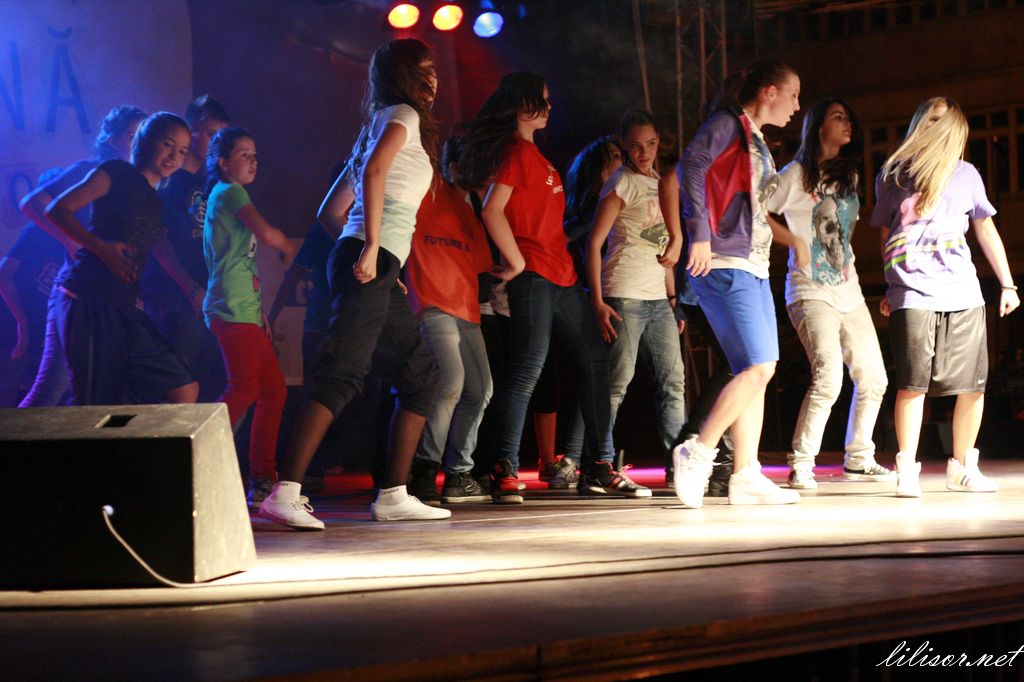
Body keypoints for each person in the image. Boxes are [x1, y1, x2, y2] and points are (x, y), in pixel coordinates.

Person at [259, 38, 446, 529]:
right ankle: (285, 491)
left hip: (372, 261)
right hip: (368, 255)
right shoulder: (402, 115)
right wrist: (372, 247)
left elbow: (330, 212)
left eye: (433, 69)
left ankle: (394, 494)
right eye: (424, 69)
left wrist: (381, 261)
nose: (433, 78)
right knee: (343, 373)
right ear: (403, 76)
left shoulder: (375, 125)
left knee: (421, 374)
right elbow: (376, 172)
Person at [457, 71, 649, 502]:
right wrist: (516, 259)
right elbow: (492, 210)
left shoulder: (535, 155)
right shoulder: (513, 150)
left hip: (561, 274)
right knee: (528, 367)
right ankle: (504, 468)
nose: (550, 107)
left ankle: (599, 467)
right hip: (534, 275)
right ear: (522, 104)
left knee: (595, 362)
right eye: (542, 100)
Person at [872, 96, 1019, 497]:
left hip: (962, 291)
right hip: (912, 293)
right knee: (912, 384)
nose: (935, 126)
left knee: (973, 385)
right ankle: (906, 468)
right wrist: (891, 284)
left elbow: (986, 229)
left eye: (943, 120)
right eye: (930, 119)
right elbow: (885, 234)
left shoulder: (966, 174)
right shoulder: (893, 175)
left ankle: (963, 467)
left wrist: (1008, 284)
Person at [673, 59, 802, 507]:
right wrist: (699, 233)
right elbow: (690, 167)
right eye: (793, 95)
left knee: (759, 370)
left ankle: (745, 473)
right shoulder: (727, 123)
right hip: (725, 259)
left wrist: (792, 238)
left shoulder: (756, 138)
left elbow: (752, 205)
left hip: (754, 264)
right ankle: (697, 450)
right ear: (770, 91)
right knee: (758, 367)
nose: (796, 105)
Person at [764, 98, 891, 490]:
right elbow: (755, 209)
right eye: (838, 117)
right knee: (829, 377)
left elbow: (843, 233)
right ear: (819, 126)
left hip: (848, 289)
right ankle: (802, 462)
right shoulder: (795, 174)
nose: (847, 122)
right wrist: (793, 241)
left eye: (848, 117)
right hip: (808, 289)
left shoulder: (847, 175)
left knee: (874, 378)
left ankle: (859, 457)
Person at [45, 112, 198, 405]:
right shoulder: (116, 172)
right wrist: (102, 248)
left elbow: (154, 249)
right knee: (92, 404)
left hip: (123, 307)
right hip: (89, 298)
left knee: (183, 386)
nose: (174, 156)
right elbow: (57, 210)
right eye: (168, 144)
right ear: (146, 141)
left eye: (181, 151)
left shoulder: (155, 199)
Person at [18, 105, 148, 407]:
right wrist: (77, 244)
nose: (138, 142)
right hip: (78, 292)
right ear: (112, 139)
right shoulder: (90, 172)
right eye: (132, 135)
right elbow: (32, 203)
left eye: (143, 135)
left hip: (114, 295)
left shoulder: (139, 183)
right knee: (51, 389)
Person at [586, 109, 686, 484]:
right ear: (624, 146)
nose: (644, 153)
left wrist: (673, 298)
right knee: (617, 383)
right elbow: (593, 244)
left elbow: (666, 250)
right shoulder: (621, 183)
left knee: (673, 382)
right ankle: (599, 465)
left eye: (651, 144)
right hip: (624, 292)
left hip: (659, 299)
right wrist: (598, 301)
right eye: (635, 146)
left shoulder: (661, 182)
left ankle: (679, 467)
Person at [203, 126, 297, 505]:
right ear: (223, 163)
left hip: (242, 308)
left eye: (255, 155)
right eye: (244, 155)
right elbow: (267, 233)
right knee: (244, 387)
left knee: (272, 390)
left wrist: (258, 312)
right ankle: (194, 454)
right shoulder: (230, 192)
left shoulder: (226, 194)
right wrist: (289, 246)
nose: (253, 161)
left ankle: (262, 478)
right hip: (230, 307)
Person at [404, 136, 495, 504]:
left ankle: (458, 474)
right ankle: (424, 471)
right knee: (451, 380)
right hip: (431, 301)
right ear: (454, 166)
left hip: (466, 308)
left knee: (481, 388)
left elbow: (482, 268)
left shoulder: (471, 210)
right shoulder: (427, 192)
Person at [143, 95, 232, 402]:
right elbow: (159, 241)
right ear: (191, 132)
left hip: (209, 296)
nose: (217, 142)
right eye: (211, 134)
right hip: (175, 296)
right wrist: (190, 288)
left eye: (221, 135)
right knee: (180, 381)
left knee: (215, 381)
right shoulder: (169, 181)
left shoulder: (214, 183)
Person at [0, 168, 66, 406]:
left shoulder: (71, 234)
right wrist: (22, 322)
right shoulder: (36, 232)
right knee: (7, 395)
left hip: (40, 332)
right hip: (11, 329)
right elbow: (4, 274)